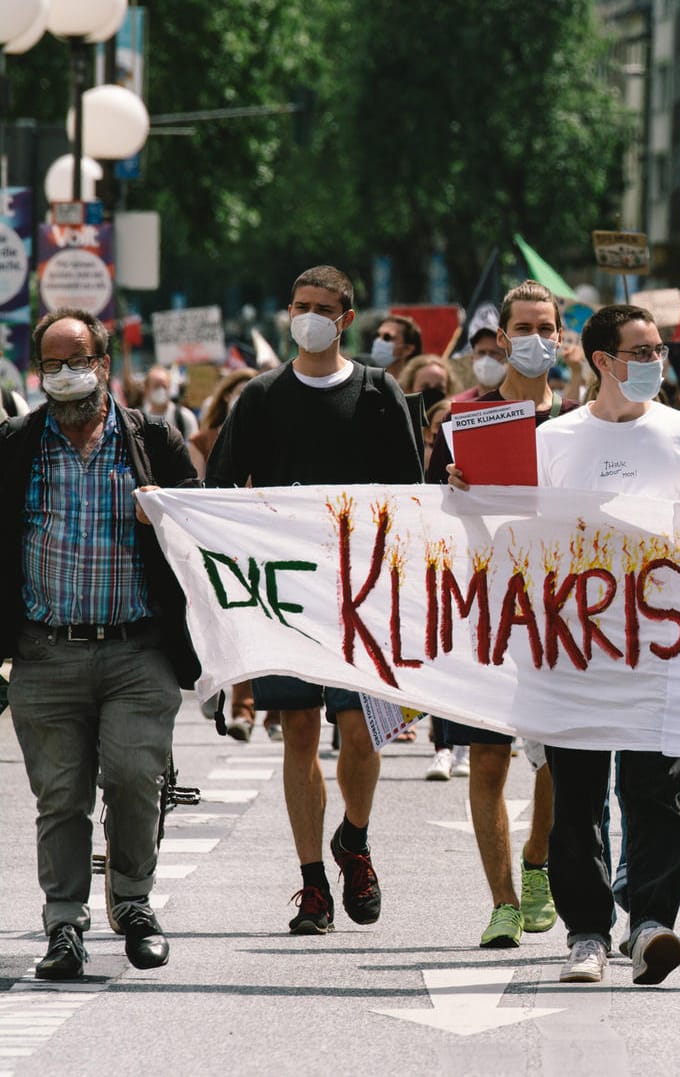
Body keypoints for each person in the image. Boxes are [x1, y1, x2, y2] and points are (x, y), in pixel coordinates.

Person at [206, 265, 424, 936]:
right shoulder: (262, 397)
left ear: (345, 318)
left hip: (362, 595)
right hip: (286, 596)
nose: (309, 316)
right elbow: (218, 491)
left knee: (361, 730)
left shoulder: (379, 391)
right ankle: (312, 884)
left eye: (322, 307)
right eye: (300, 305)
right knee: (298, 729)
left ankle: (353, 840)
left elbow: (412, 496)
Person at [535, 302, 680, 986]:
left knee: (656, 792)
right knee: (578, 800)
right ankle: (588, 931)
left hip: (659, 650)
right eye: (641, 352)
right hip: (576, 650)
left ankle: (650, 923)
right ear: (602, 361)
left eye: (659, 350)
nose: (656, 362)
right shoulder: (554, 439)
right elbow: (520, 537)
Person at [2, 308, 201, 979]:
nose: (65, 374)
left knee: (133, 777)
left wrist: (168, 520)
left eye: (77, 359)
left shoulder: (154, 442)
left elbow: (208, 535)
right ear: (38, 371)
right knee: (61, 797)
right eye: (52, 363)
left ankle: (134, 904)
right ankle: (64, 925)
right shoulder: (16, 445)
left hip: (136, 652)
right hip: (45, 653)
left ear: (105, 364)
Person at [431, 280, 574, 949]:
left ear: (563, 335)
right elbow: (421, 518)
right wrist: (448, 485)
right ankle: (503, 903)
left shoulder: (582, 422)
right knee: (487, 759)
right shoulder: (460, 420)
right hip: (482, 610)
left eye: (545, 326)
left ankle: (538, 861)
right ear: (501, 336)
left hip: (561, 613)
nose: (534, 339)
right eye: (523, 327)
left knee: (556, 760)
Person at [450, 309, 507, 404]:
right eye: (481, 352)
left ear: (507, 359)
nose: (486, 359)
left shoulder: (519, 401)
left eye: (493, 353)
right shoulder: (457, 404)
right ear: (472, 359)